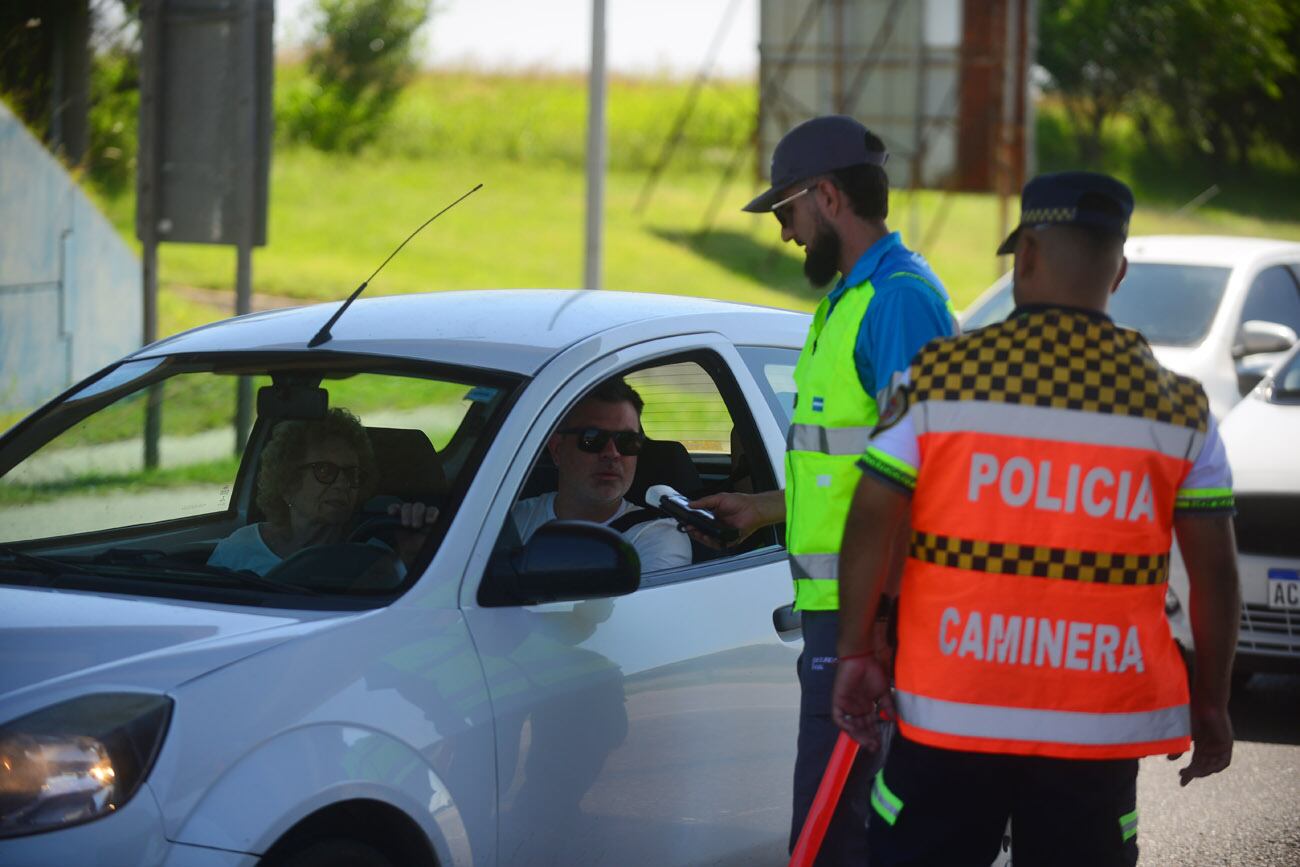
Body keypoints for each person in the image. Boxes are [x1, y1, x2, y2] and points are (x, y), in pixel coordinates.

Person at [831, 171, 1241, 866]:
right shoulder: (1181, 408)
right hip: (1095, 731)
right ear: (1118, 273)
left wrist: (856, 650)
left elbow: (872, 517)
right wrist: (1211, 703)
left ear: (1023, 257)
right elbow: (1217, 577)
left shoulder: (937, 378)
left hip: (947, 718)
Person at [691, 115, 956, 864]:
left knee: (838, 831)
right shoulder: (848, 301)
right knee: (831, 826)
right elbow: (853, 464)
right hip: (842, 613)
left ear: (829, 196)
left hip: (865, 615)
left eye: (785, 210)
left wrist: (878, 624)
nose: (784, 232)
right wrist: (767, 509)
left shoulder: (898, 302)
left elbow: (927, 474)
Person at [208, 407, 436, 576]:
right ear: (287, 482)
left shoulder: (373, 560)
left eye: (351, 474)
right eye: (325, 471)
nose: (342, 484)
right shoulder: (238, 550)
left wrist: (411, 559)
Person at [512, 377, 691, 573]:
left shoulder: (657, 535)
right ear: (557, 449)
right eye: (593, 439)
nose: (612, 453)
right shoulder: (512, 522)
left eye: (627, 441)